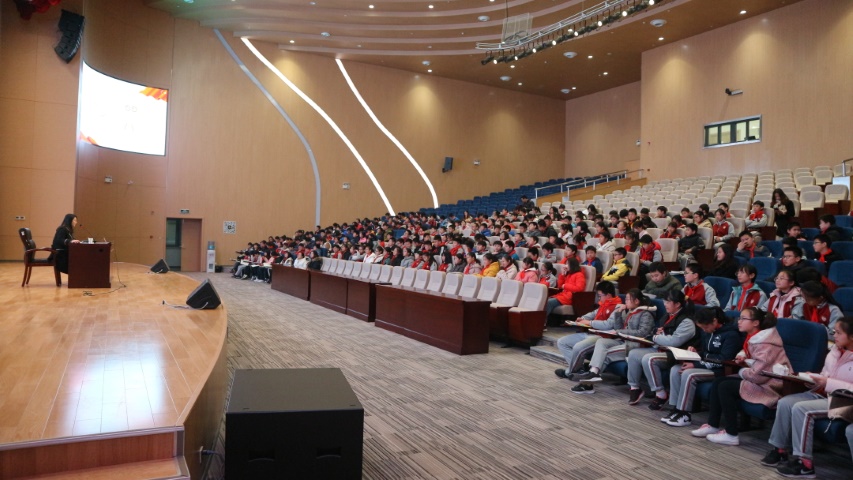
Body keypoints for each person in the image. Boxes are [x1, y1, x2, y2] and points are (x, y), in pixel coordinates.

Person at [761, 317, 853, 478]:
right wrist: (813, 380)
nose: (834, 336)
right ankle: (780, 450)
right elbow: (825, 375)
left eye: (838, 333)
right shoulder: (835, 351)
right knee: (785, 403)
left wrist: (827, 382)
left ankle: (805, 463)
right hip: (823, 393)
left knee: (802, 409)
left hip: (844, 402)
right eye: (834, 332)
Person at [691, 308, 791, 445]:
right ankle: (712, 425)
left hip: (771, 385)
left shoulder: (766, 344)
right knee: (719, 381)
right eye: (740, 318)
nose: (739, 321)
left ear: (755, 323)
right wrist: (743, 356)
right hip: (760, 379)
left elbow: (758, 376)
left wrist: (741, 371)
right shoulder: (755, 337)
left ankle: (731, 434)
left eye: (744, 319)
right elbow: (752, 357)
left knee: (725, 386)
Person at [661, 307, 742, 427]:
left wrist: (696, 364)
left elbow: (724, 359)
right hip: (705, 365)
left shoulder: (731, 335)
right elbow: (705, 352)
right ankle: (676, 408)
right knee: (676, 369)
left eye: (706, 327)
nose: (704, 330)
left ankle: (684, 413)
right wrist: (695, 352)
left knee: (688, 374)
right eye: (702, 328)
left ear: (714, 321)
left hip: (720, 370)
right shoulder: (707, 332)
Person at [571, 289, 656, 394]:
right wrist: (618, 313)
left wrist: (619, 331)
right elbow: (618, 327)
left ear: (636, 301)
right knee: (601, 342)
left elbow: (643, 332)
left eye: (628, 299)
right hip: (624, 341)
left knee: (604, 354)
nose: (625, 301)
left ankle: (590, 379)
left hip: (635, 345)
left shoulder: (646, 314)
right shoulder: (630, 312)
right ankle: (592, 375)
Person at [626, 290, 696, 406]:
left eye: (668, 302)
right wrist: (656, 332)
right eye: (664, 301)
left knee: (649, 359)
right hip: (661, 348)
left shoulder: (687, 321)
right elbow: (661, 333)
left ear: (677, 304)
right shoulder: (668, 316)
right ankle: (634, 388)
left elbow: (674, 341)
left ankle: (661, 394)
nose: (665, 304)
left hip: (676, 354)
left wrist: (655, 337)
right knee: (633, 354)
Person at [554, 281, 623, 379]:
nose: (599, 298)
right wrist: (582, 318)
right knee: (562, 342)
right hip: (591, 333)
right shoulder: (604, 304)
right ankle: (579, 369)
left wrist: (589, 323)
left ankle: (570, 372)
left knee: (578, 347)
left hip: (602, 337)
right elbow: (593, 314)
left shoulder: (618, 307)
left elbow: (608, 325)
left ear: (608, 295)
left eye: (600, 296)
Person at [545, 258, 586, 324]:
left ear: (572, 265)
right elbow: (560, 286)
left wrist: (565, 286)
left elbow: (579, 288)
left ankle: (542, 322)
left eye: (567, 264)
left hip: (571, 297)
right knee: (545, 300)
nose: (565, 265)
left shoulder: (579, 275)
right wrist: (562, 275)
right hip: (564, 295)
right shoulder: (569, 274)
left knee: (549, 302)